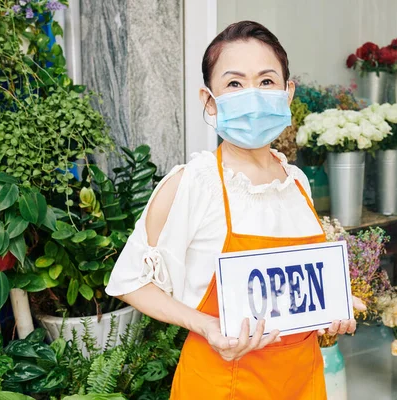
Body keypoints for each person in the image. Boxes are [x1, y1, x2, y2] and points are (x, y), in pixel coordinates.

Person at [106, 20, 364, 399]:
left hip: (302, 381)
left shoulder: (296, 182)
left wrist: (332, 305)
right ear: (209, 100)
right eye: (234, 84)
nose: (253, 95)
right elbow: (131, 281)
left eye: (266, 81)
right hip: (222, 384)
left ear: (287, 93)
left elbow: (291, 289)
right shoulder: (195, 182)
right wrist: (206, 325)